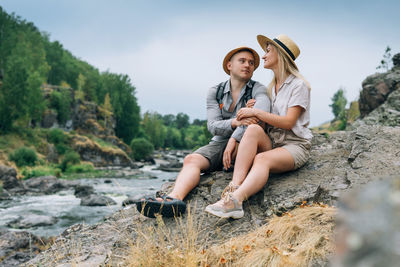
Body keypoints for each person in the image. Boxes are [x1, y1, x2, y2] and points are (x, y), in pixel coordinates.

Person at [136, 46, 270, 218]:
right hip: (219, 142)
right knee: (191, 159)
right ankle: (174, 200)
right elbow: (213, 126)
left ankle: (234, 189)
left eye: (251, 63)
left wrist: (235, 138)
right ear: (229, 65)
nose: (248, 65)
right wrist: (237, 121)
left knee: (249, 131)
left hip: (248, 140)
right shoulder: (216, 91)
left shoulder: (258, 89)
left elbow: (258, 117)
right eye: (242, 61)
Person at [205, 34, 313, 219]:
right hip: (274, 142)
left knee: (262, 159)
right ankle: (234, 187)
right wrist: (235, 135)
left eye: (268, 51)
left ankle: (235, 202)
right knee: (254, 129)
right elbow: (261, 122)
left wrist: (256, 113)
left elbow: (288, 122)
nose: (263, 56)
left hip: (294, 145)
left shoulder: (298, 85)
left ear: (280, 55)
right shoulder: (271, 88)